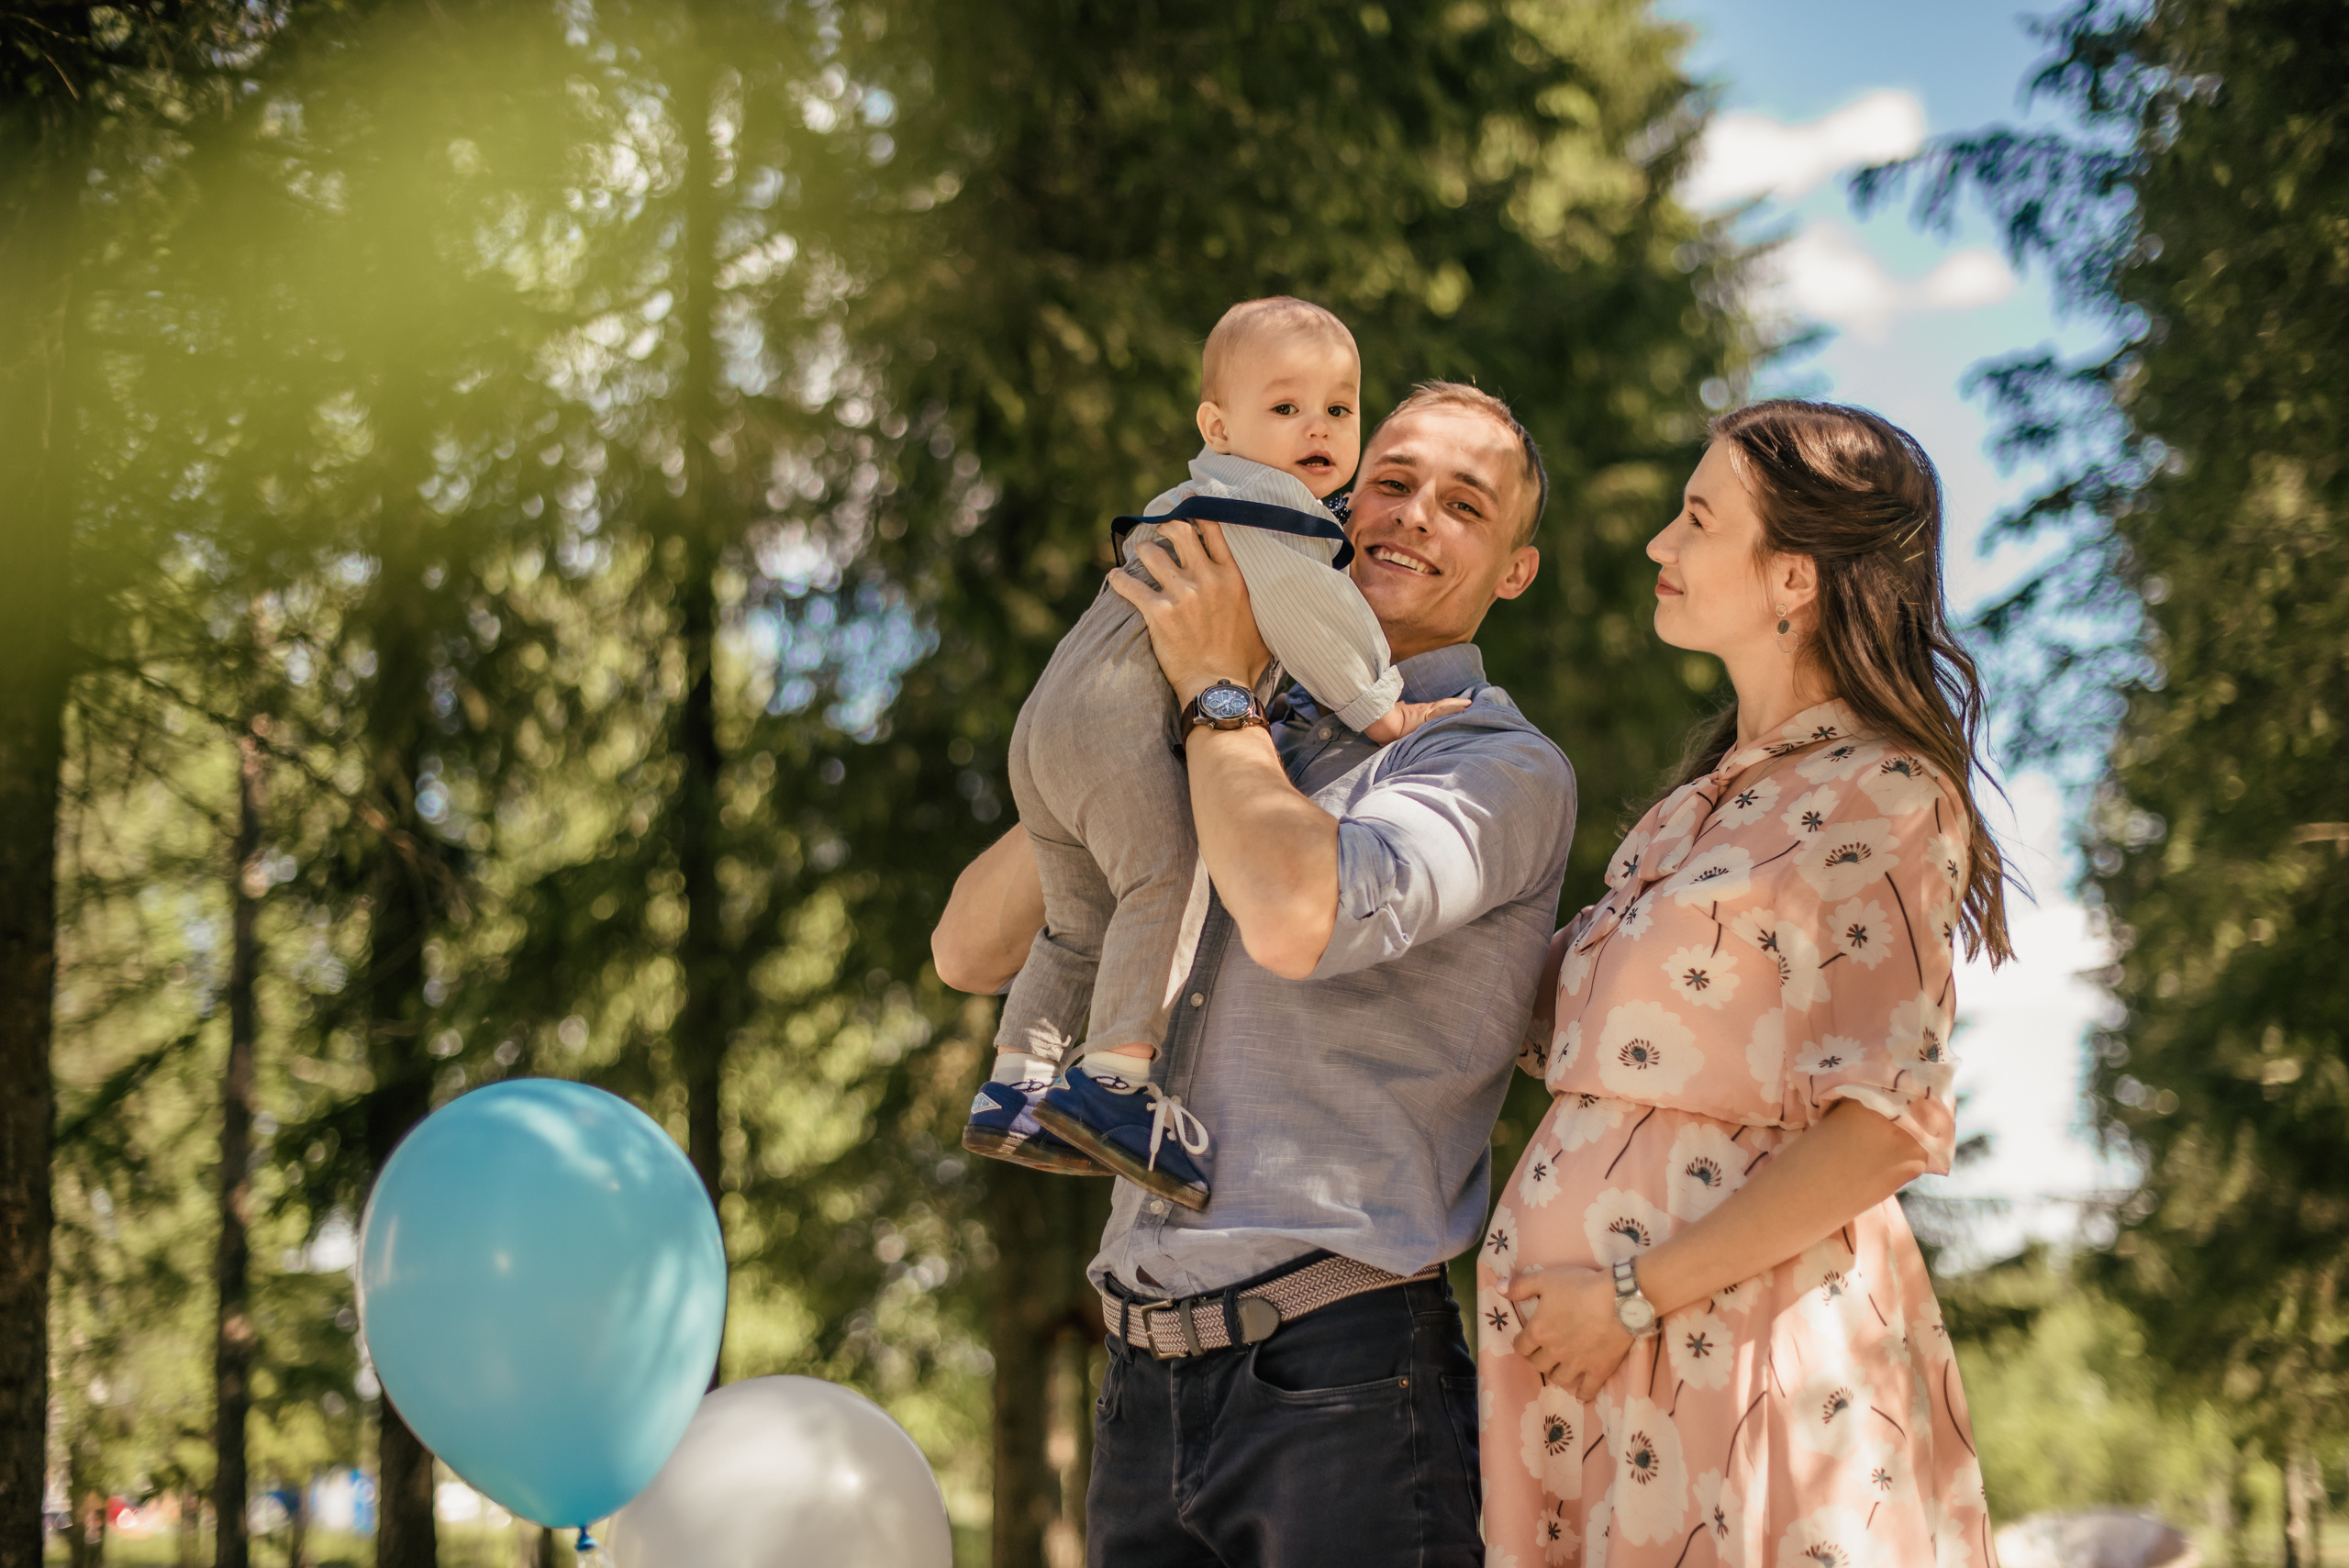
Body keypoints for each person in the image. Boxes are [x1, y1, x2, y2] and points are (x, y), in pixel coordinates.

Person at [933, 383, 1575, 1568]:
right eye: (1391, 480)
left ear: (1514, 570)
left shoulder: (1495, 761)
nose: (1412, 515)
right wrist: (1137, 702)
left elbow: (1294, 913)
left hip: (1342, 1381)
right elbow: (969, 948)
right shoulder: (1219, 715)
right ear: (1332, 499)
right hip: (1139, 1380)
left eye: (1464, 503)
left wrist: (1217, 695)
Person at [1480, 399, 2013, 1568]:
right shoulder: (1702, 803)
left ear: (1792, 578)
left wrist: (1630, 1291)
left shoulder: (1886, 793)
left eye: (1697, 517)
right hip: (1608, 1378)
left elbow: (1884, 1128)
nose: (1660, 545)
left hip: (1744, 1356)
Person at [963, 297, 1467, 1209]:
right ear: (1218, 425)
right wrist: (1381, 708)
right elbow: (1314, 613)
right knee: (1169, 872)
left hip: (1049, 724)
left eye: (1339, 409)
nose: (1317, 426)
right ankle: (1114, 1081)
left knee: (1078, 919)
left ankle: (1017, 1082)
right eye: (1286, 408)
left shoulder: (1194, 497)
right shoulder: (1269, 514)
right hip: (1114, 725)